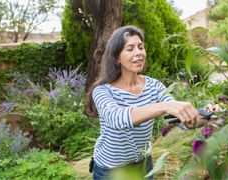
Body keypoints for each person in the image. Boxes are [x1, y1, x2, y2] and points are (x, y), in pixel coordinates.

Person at [85, 25, 213, 180]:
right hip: (110, 171)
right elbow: (118, 119)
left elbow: (181, 121)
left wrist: (208, 115)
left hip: (144, 166)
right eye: (130, 49)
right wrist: (164, 106)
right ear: (116, 57)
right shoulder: (103, 91)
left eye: (140, 47)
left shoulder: (154, 86)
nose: (138, 53)